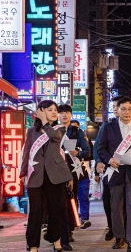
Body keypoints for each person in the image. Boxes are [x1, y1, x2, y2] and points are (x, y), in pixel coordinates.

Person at [20, 100, 73, 252]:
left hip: (55, 175)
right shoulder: (31, 131)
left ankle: (56, 241)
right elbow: (26, 153)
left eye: (55, 110)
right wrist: (23, 173)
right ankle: (33, 245)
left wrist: (45, 122)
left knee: (55, 210)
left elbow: (55, 137)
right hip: (35, 176)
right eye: (50, 110)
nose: (55, 112)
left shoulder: (60, 128)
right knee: (35, 213)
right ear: (41, 111)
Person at [98, 96, 131, 252]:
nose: (127, 112)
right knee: (116, 207)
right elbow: (101, 148)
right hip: (115, 172)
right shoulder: (108, 127)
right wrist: (109, 160)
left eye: (130, 109)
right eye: (124, 109)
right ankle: (119, 237)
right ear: (117, 110)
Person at [93, 95, 125, 241]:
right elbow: (98, 146)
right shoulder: (107, 126)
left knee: (127, 204)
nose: (114, 110)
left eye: (116, 107)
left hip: (128, 170)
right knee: (108, 201)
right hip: (109, 170)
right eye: (113, 108)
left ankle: (124, 232)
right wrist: (99, 161)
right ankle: (112, 227)